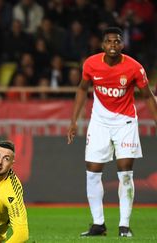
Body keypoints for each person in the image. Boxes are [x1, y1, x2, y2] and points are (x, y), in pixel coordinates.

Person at [67, 27, 157, 237]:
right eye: (109, 42)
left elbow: (147, 95)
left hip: (125, 123)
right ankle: (98, 224)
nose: (113, 45)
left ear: (122, 45)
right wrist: (74, 121)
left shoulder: (134, 68)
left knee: (125, 173)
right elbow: (82, 88)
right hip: (99, 123)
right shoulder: (91, 64)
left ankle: (124, 225)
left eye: (117, 42)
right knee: (92, 172)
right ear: (103, 45)